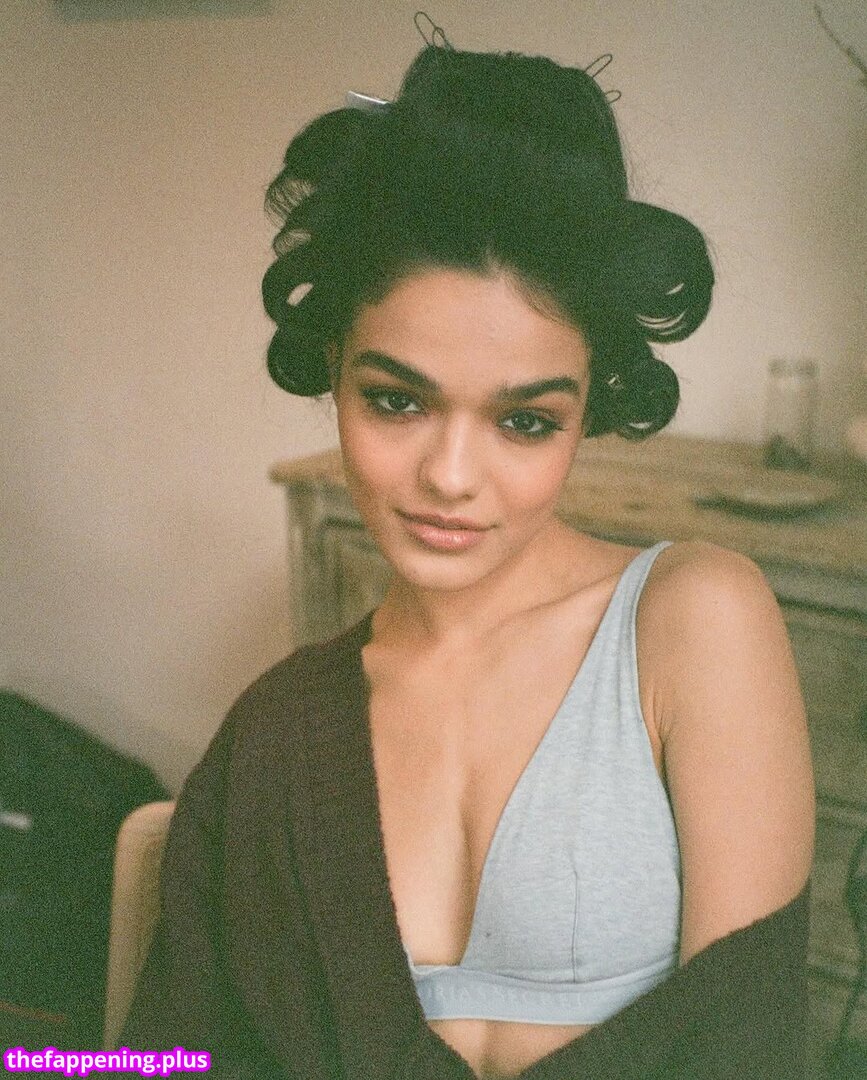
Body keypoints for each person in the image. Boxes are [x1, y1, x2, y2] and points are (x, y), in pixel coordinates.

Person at [119, 31, 815, 1080]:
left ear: (590, 408)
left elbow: (744, 1044)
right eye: (396, 401)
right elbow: (173, 1058)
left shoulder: (694, 621)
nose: (450, 476)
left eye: (524, 422)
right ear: (332, 374)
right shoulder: (275, 732)